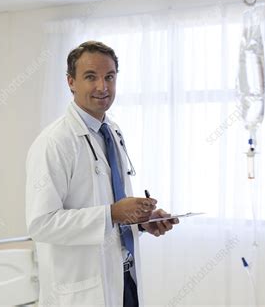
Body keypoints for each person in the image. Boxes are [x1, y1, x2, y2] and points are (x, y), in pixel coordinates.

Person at [26, 41, 179, 306]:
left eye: (109, 77)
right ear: (70, 82)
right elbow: (42, 224)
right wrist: (112, 213)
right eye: (90, 77)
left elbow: (110, 205)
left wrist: (141, 221)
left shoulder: (113, 132)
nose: (102, 87)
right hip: (83, 290)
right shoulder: (54, 142)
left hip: (124, 278)